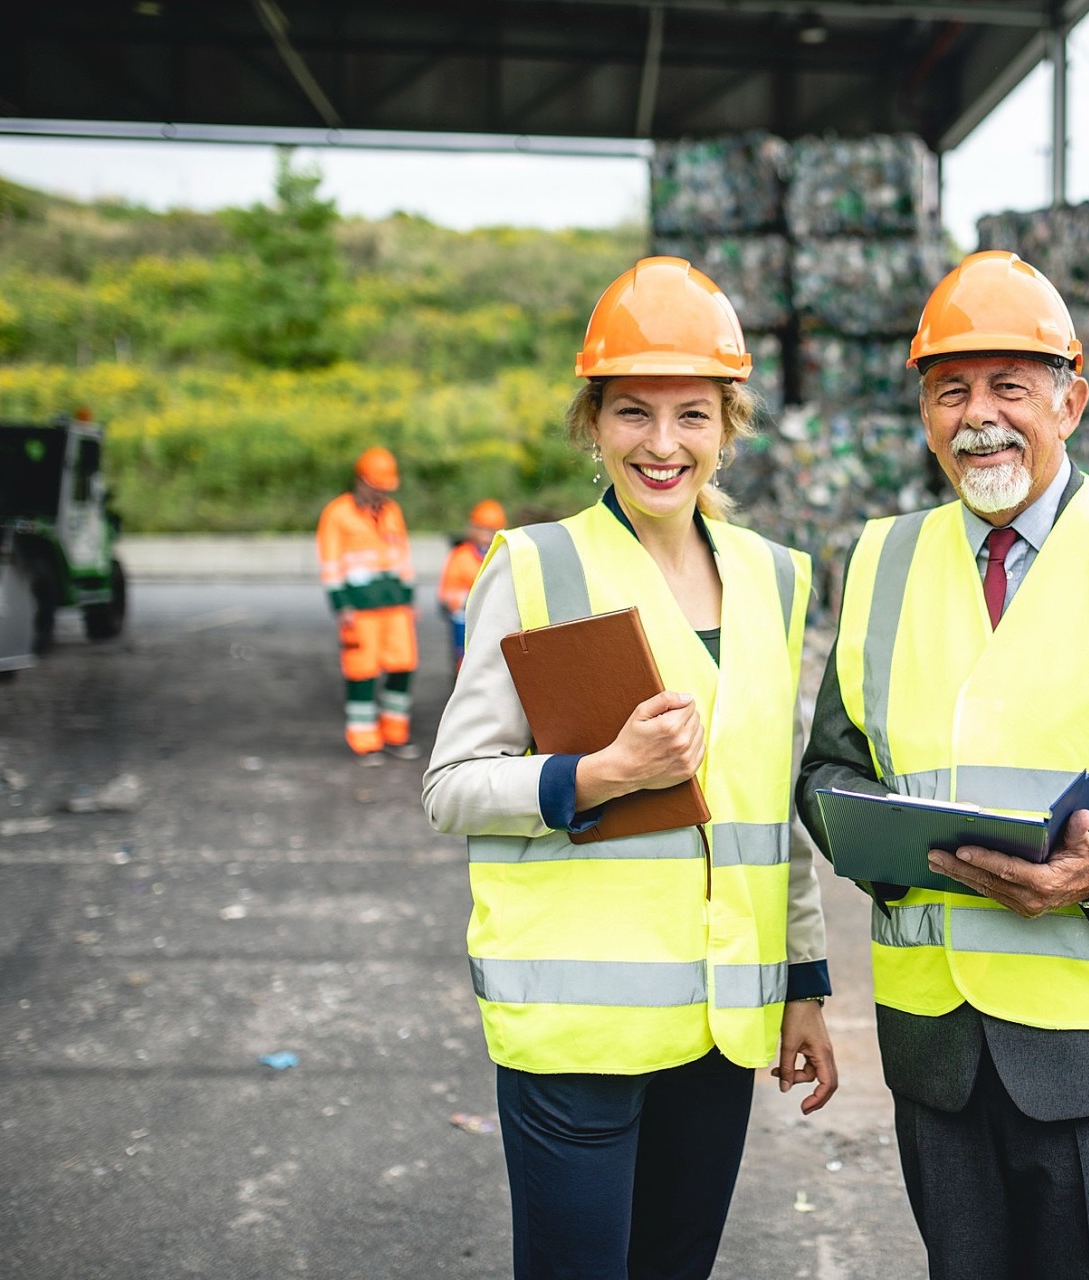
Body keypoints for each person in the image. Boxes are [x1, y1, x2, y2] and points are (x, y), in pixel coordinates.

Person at [796, 250, 1089, 1280]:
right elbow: (826, 770)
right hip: (937, 1047)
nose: (980, 416)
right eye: (950, 389)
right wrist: (878, 839)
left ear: (1073, 401)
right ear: (924, 412)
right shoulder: (882, 556)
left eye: (1011, 385)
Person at [422, 256, 838, 1280]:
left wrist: (804, 986)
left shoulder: (775, 579)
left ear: (728, 425)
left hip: (719, 1023)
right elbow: (452, 786)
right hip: (578, 1028)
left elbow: (769, 807)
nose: (662, 444)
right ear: (591, 423)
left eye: (692, 414)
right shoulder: (536, 567)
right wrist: (598, 772)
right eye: (631, 413)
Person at [316, 446, 420, 764]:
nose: (383, 495)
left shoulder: (391, 512)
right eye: (378, 488)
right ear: (362, 482)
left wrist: (409, 596)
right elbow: (330, 562)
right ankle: (365, 741)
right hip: (359, 609)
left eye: (387, 489)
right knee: (362, 671)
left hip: (395, 606)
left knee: (403, 666)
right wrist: (340, 604)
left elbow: (401, 555)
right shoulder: (337, 514)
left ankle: (394, 734)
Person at [438, 498, 507, 666]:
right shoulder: (460, 555)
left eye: (491, 530)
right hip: (465, 621)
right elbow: (447, 592)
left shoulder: (504, 554)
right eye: (482, 529)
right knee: (466, 663)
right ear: (472, 528)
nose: (486, 536)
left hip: (496, 620)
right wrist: (470, 600)